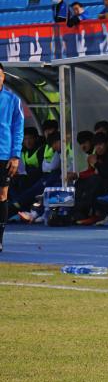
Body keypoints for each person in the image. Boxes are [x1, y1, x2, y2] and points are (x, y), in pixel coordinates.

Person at [0, 63, 24, 250]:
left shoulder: (12, 100)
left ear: (3, 77)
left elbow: (18, 129)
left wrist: (15, 155)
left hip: (4, 154)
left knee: (2, 195)